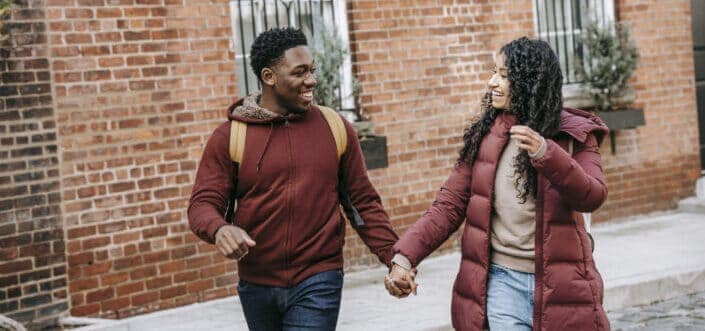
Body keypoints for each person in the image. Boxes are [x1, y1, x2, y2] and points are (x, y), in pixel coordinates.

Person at [385, 37, 611, 330]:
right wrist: (404, 257)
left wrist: (547, 153)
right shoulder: (486, 138)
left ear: (530, 81)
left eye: (504, 75)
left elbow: (592, 195)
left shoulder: (575, 135)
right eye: (494, 72)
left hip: (563, 286)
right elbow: (448, 206)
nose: (492, 82)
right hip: (502, 284)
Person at [188, 27, 399, 331]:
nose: (311, 80)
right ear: (269, 77)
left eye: (312, 70)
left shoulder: (334, 128)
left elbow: (362, 203)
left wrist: (394, 257)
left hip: (318, 277)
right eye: (300, 72)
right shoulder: (231, 136)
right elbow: (202, 204)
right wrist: (219, 229)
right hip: (256, 283)